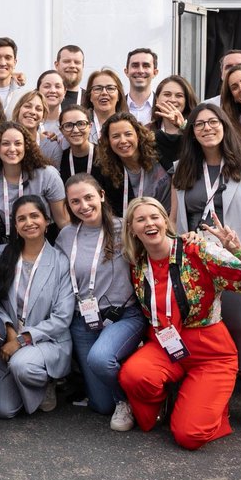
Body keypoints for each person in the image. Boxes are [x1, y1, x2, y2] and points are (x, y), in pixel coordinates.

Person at [118, 197, 241, 450]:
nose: (149, 223)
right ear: (132, 229)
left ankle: (210, 406)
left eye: (154, 216)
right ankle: (170, 401)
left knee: (189, 435)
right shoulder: (137, 262)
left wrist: (237, 249)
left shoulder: (195, 249)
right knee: (134, 376)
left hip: (210, 352)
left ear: (165, 221)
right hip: (166, 346)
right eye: (141, 219)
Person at [170, 103, 241, 439]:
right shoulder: (182, 168)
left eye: (212, 121)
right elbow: (175, 218)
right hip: (197, 264)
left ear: (224, 125)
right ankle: (208, 399)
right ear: (191, 132)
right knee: (203, 332)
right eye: (199, 124)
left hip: (239, 258)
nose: (206, 128)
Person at [60, 173, 143, 430]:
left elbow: (159, 239)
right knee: (100, 406)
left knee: (100, 359)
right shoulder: (66, 235)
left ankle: (127, 400)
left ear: (102, 196)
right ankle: (117, 390)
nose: (83, 206)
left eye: (88, 197)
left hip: (123, 315)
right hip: (83, 319)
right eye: (75, 202)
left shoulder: (125, 228)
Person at [0, 195, 74, 418]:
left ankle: (48, 380)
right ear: (15, 226)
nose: (29, 223)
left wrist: (22, 339)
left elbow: (62, 318)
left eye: (35, 216)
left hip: (48, 340)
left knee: (22, 366)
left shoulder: (60, 262)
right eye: (21, 218)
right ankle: (24, 384)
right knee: (3, 409)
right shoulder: (3, 255)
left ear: (47, 221)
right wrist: (8, 329)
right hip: (11, 339)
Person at [0, 122, 68, 243]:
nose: (12, 149)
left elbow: (63, 222)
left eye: (18, 143)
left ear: (26, 146)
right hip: (7, 245)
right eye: (5, 143)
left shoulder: (47, 175)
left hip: (44, 242)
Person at [94, 112, 171, 217]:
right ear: (109, 141)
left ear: (138, 135)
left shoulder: (160, 148)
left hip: (174, 220)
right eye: (116, 136)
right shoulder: (107, 173)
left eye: (128, 134)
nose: (123, 141)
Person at [150, 74, 196, 170]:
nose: (172, 100)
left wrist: (183, 127)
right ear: (157, 99)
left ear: (186, 101)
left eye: (179, 96)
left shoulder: (196, 129)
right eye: (167, 94)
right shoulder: (147, 130)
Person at [10, 89, 64, 169]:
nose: (32, 112)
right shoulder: (3, 141)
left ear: (43, 117)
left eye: (38, 109)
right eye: (27, 106)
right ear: (18, 110)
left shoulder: (52, 147)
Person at [82, 69, 129, 144]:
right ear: (90, 96)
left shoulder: (129, 125)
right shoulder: (80, 125)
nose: (104, 93)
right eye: (98, 88)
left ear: (119, 96)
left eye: (110, 88)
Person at [57, 104, 95, 179]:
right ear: (61, 130)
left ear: (90, 126)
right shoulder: (60, 159)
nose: (75, 130)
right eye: (68, 125)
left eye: (81, 124)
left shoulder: (105, 157)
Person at [124, 48, 160, 125]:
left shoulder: (162, 107)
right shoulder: (115, 107)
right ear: (126, 71)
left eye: (146, 66)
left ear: (155, 72)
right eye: (135, 66)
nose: (140, 71)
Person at [36, 69, 67, 138]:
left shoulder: (70, 122)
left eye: (57, 86)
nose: (52, 90)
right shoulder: (30, 121)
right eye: (47, 86)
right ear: (38, 91)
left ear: (65, 92)